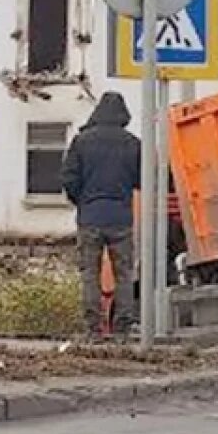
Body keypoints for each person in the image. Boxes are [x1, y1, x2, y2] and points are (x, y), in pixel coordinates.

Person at [61, 91, 141, 338]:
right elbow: (141, 179)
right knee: (124, 274)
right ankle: (122, 328)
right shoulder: (133, 143)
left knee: (90, 275)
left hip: (90, 218)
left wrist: (83, 201)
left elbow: (69, 179)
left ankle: (93, 329)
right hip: (121, 219)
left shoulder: (82, 141)